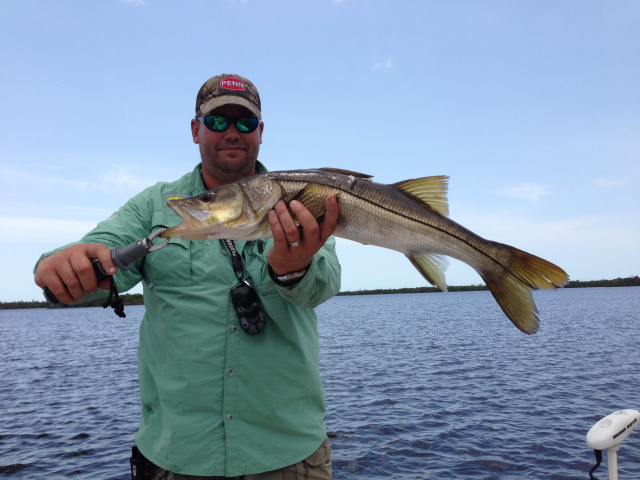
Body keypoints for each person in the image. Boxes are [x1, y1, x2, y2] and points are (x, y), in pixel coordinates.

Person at [34, 74, 341, 479]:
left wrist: (292, 268)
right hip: (177, 457)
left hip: (288, 455)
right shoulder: (154, 206)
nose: (231, 132)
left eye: (244, 123)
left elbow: (323, 285)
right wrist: (58, 265)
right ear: (195, 130)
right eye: (216, 122)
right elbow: (102, 253)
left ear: (260, 133)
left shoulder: (303, 196)